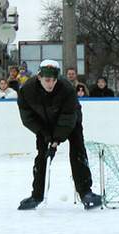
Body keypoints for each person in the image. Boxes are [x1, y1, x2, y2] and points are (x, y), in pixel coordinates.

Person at [17, 59, 102, 210]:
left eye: (54, 80)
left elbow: (68, 117)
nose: (50, 84)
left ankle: (85, 192)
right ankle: (37, 195)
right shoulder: (27, 91)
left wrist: (56, 140)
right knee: (43, 155)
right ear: (39, 78)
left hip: (71, 121)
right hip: (43, 123)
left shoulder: (66, 89)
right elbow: (28, 118)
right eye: (47, 80)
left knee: (78, 151)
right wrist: (46, 135)